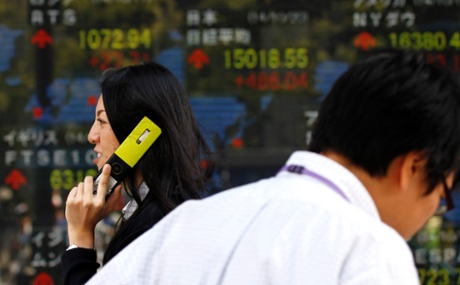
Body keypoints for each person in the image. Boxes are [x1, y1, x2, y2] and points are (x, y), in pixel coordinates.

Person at [86, 49, 460, 284]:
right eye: (442, 195)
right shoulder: (369, 250)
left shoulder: (188, 225)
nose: (434, 210)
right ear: (412, 167)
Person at [60, 62, 214, 284]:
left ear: (142, 134)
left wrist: (80, 238)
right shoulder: (168, 213)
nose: (92, 135)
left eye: (102, 121)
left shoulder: (151, 228)